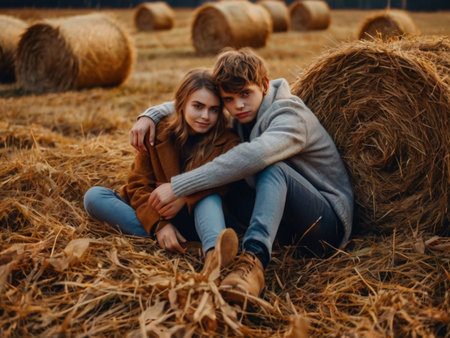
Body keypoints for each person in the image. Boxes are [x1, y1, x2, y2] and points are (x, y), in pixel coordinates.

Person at [130, 48, 354, 305]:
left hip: (324, 224)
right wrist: (152, 114)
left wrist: (179, 187)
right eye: (229, 99)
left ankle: (253, 261)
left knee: (272, 168)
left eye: (245, 94)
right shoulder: (240, 113)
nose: (237, 105)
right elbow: (188, 102)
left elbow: (255, 156)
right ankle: (209, 242)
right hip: (282, 223)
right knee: (225, 184)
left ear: (265, 86)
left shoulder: (290, 115)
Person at [84, 68, 241, 277]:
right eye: (198, 106)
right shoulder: (158, 133)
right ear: (181, 104)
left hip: (203, 219)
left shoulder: (228, 141)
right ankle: (174, 241)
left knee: (208, 197)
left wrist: (184, 195)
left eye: (213, 109)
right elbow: (137, 184)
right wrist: (160, 225)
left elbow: (224, 183)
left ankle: (214, 254)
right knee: (94, 197)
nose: (205, 116)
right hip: (160, 213)